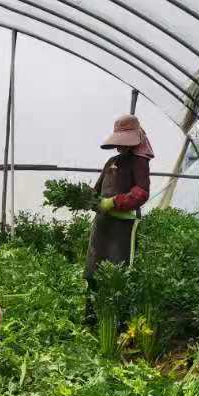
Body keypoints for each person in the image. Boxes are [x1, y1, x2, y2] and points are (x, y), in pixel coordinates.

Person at [84, 113, 153, 328]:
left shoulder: (139, 163)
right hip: (102, 224)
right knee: (93, 270)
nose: (120, 146)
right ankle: (91, 318)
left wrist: (114, 202)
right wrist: (88, 198)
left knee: (117, 273)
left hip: (123, 227)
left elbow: (141, 192)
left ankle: (118, 323)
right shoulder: (112, 161)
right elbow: (97, 189)